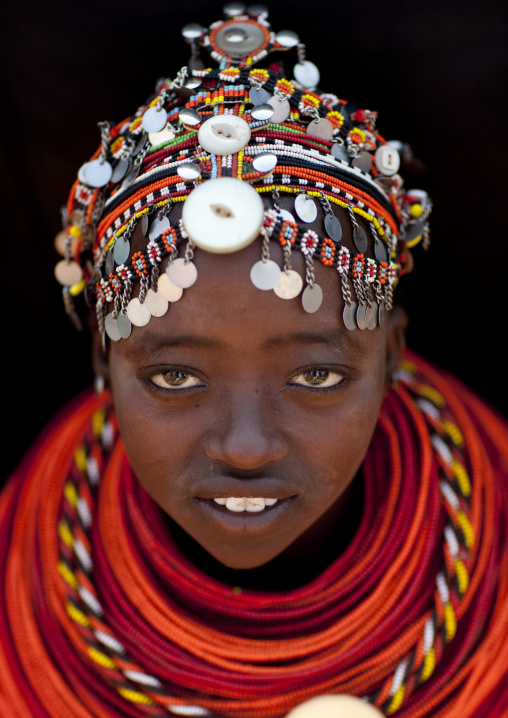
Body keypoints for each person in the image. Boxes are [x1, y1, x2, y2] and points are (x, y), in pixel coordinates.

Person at [1, 5, 507, 717]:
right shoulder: (18, 575)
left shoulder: (495, 548)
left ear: (390, 356)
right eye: (175, 376)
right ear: (103, 360)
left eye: (316, 375)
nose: (245, 447)